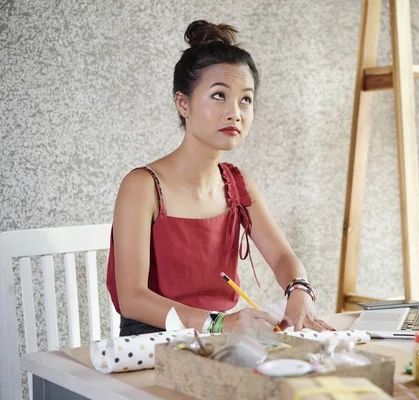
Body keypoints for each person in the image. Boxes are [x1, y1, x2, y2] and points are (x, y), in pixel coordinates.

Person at [106, 20, 333, 336]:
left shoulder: (238, 184)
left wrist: (299, 290)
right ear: (183, 103)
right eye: (219, 96)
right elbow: (132, 298)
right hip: (153, 343)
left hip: (223, 342)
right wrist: (219, 323)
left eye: (246, 99)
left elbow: (282, 256)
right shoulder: (143, 186)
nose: (235, 112)